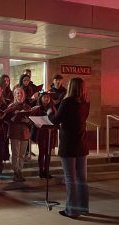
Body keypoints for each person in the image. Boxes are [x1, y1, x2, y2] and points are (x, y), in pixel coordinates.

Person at [49, 77, 90, 218]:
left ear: (71, 87)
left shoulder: (67, 102)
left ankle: (72, 210)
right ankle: (83, 208)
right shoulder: (86, 103)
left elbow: (56, 119)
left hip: (68, 144)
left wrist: (50, 113)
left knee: (70, 178)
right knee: (82, 178)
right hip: (82, 143)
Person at [7, 86, 31, 182]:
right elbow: (7, 119)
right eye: (18, 93)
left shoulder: (27, 107)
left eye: (21, 93)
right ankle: (15, 172)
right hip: (15, 131)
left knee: (22, 154)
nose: (19, 95)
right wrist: (12, 118)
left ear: (24, 95)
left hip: (25, 132)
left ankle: (20, 171)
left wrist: (28, 120)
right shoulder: (11, 106)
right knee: (15, 153)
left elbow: (31, 121)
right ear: (14, 95)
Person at [30, 92, 56, 179]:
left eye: (48, 97)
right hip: (41, 133)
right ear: (41, 99)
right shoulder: (38, 108)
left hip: (50, 133)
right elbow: (32, 119)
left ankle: (47, 171)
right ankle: (41, 171)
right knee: (42, 153)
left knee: (48, 154)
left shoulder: (52, 108)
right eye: (44, 97)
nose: (46, 99)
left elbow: (55, 119)